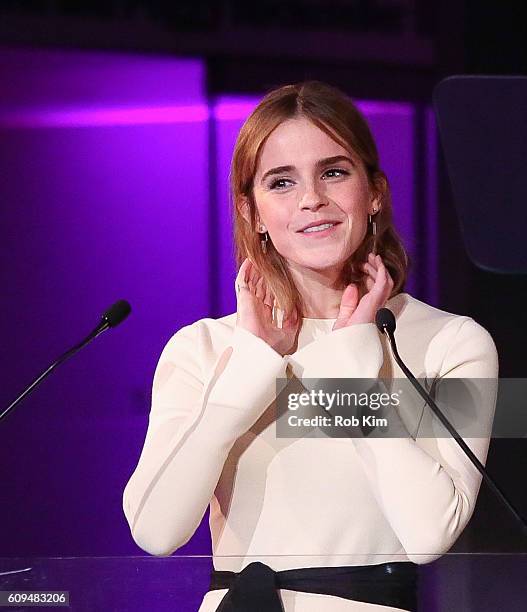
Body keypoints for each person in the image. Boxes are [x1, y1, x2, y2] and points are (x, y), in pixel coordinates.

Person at [122, 81, 498, 611]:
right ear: (252, 213)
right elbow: (155, 530)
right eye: (280, 182)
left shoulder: (452, 343)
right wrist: (251, 367)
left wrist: (351, 368)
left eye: (334, 172)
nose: (311, 199)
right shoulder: (203, 348)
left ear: (375, 193)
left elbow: (429, 532)